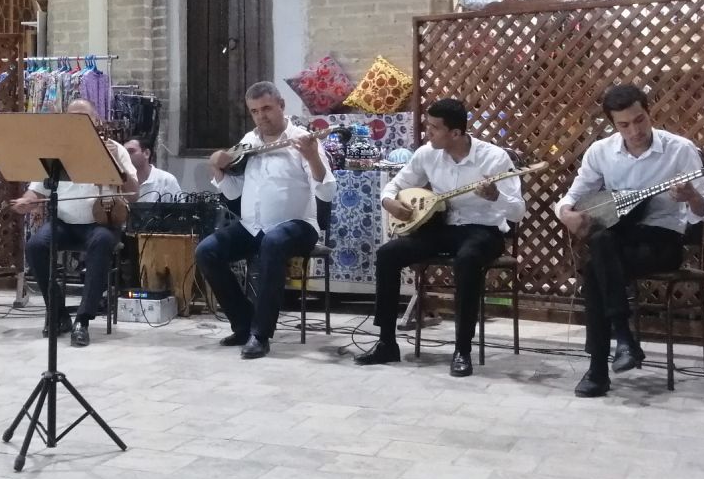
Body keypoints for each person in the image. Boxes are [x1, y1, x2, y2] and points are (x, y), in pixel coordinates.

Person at [557, 84, 704, 398]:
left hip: (663, 241)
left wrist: (691, 196)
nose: (634, 130)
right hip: (618, 238)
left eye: (639, 120)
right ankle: (623, 341)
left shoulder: (680, 149)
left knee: (594, 267)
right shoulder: (600, 152)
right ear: (613, 124)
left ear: (649, 112)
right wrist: (565, 214)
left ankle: (601, 366)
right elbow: (571, 198)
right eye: (624, 125)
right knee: (600, 248)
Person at [357, 97, 524, 374]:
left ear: (456, 133)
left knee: (467, 260)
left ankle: (462, 350)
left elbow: (518, 211)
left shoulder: (494, 158)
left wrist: (497, 197)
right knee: (388, 254)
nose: (427, 133)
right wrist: (389, 201)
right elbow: (397, 184)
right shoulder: (427, 153)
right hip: (442, 227)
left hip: (484, 230)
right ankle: (386, 342)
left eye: (434, 128)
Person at [196, 81, 336, 359]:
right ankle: (243, 323)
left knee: (273, 242)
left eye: (267, 108)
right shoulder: (249, 142)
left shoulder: (303, 139)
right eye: (255, 111)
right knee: (207, 251)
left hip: (299, 226)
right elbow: (234, 191)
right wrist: (218, 167)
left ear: (282, 106)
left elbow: (327, 190)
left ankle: (261, 334)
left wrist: (312, 156)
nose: (262, 116)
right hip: (253, 227)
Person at [11, 99, 137, 348]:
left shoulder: (114, 149)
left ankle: (83, 319)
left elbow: (134, 193)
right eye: (73, 118)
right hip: (64, 223)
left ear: (96, 120)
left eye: (84, 117)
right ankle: (57, 312)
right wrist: (26, 201)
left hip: (102, 223)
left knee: (101, 242)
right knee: (36, 245)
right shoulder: (56, 153)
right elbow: (37, 191)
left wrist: (118, 165)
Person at [125, 136, 181, 201]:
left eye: (131, 151)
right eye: (123, 152)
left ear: (146, 153)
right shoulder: (119, 182)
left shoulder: (166, 180)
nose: (126, 156)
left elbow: (179, 210)